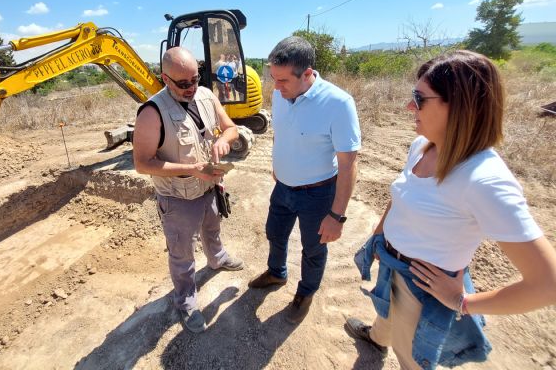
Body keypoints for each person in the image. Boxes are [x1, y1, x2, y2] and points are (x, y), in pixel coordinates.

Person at [346, 50, 556, 369]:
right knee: (385, 315)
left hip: (422, 288)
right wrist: (379, 236)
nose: (408, 106)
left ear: (458, 104)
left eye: (419, 98)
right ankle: (377, 337)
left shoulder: (484, 180)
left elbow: (547, 284)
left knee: (411, 359)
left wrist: (463, 302)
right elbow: (402, 194)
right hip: (393, 264)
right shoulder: (424, 144)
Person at [248, 36, 361, 324]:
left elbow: (348, 165)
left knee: (313, 249)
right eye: (273, 78)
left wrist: (337, 215)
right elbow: (281, 132)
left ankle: (306, 291)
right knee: (275, 233)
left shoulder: (338, 104)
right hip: (283, 187)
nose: (276, 87)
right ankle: (277, 273)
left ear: (308, 74)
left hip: (318, 194)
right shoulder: (280, 94)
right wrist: (278, 164)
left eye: (283, 80)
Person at [133, 46, 244, 334]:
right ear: (165, 79)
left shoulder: (206, 96)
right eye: (183, 83)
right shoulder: (151, 113)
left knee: (212, 228)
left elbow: (231, 128)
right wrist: (188, 169)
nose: (191, 87)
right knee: (182, 254)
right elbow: (143, 163)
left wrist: (224, 142)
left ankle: (217, 259)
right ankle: (186, 301)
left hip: (209, 187)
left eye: (195, 79)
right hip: (177, 198)